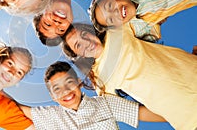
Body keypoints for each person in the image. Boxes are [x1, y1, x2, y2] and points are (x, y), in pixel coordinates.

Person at [64, 21, 197, 129]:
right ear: (79, 56)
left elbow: (152, 16)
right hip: (188, 117)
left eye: (84, 34)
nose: (86, 42)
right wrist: (171, 115)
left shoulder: (116, 32)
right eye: (78, 45)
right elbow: (132, 112)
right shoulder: (101, 80)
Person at [19, 61, 165, 129]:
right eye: (57, 89)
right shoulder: (51, 116)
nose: (65, 91)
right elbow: (12, 107)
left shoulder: (105, 103)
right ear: (53, 97)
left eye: (69, 82)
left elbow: (146, 113)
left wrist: (184, 114)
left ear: (79, 83)